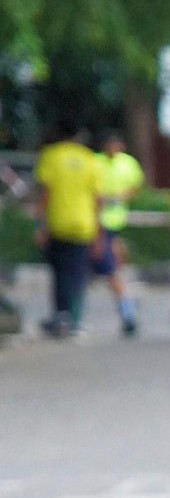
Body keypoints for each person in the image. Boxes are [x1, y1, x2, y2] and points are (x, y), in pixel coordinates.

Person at [33, 121, 103, 338]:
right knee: (77, 273)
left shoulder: (51, 155)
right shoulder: (90, 159)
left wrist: (40, 224)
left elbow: (45, 192)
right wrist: (98, 232)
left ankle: (60, 315)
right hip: (83, 224)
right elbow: (97, 198)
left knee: (59, 272)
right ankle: (74, 319)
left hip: (57, 222)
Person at [94, 131, 144, 336]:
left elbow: (136, 186)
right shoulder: (95, 162)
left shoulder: (128, 163)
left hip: (114, 219)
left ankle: (127, 308)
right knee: (109, 267)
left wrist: (121, 197)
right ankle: (127, 305)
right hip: (93, 221)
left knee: (111, 268)